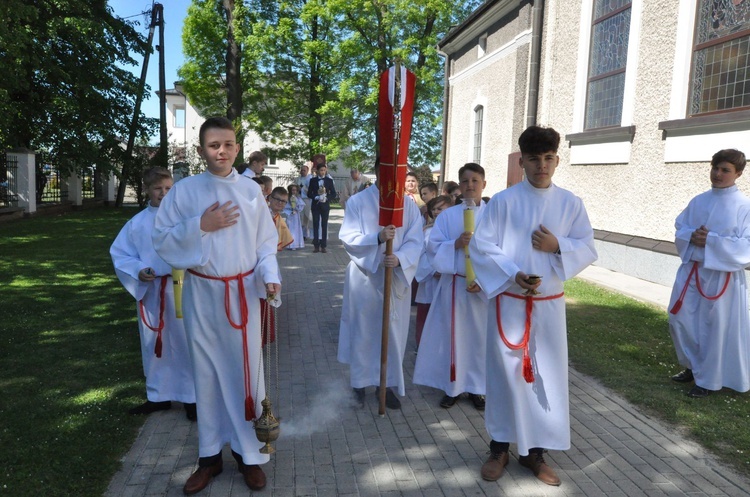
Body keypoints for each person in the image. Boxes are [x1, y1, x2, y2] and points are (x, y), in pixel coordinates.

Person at [152, 117, 281, 494]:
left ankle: (250, 457)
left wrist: (269, 275)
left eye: (227, 144)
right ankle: (209, 458)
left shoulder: (251, 191)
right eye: (213, 145)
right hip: (203, 294)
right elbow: (162, 239)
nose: (221, 151)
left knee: (246, 376)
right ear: (201, 150)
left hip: (242, 294)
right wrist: (201, 226)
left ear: (237, 148)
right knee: (206, 376)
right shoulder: (185, 191)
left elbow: (265, 243)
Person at [469, 125, 597, 487]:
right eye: (534, 159)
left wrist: (558, 246)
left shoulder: (571, 203)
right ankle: (499, 448)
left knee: (544, 377)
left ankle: (534, 454)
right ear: (522, 161)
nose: (542, 165)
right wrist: (513, 272)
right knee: (506, 376)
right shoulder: (505, 202)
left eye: (548, 158)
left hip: (548, 307)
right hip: (510, 304)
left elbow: (587, 247)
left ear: (557, 160)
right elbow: (481, 246)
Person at [110, 167, 197, 420]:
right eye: (158, 188)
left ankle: (191, 398)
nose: (164, 193)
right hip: (152, 290)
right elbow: (120, 253)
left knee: (184, 342)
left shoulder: (184, 219)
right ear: (147, 190)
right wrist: (138, 270)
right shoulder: (136, 223)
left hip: (181, 288)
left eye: (168, 188)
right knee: (154, 344)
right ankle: (158, 396)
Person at [338, 159, 424, 409]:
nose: (392, 177)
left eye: (398, 173)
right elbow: (348, 237)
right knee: (363, 333)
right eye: (387, 171)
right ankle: (358, 384)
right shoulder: (358, 202)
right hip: (365, 279)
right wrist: (376, 238)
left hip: (394, 277)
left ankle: (384, 385)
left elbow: (415, 240)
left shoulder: (408, 205)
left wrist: (399, 258)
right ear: (377, 172)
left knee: (392, 334)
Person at [668, 148, 750, 399]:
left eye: (725, 170)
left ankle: (709, 380)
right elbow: (680, 227)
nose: (718, 173)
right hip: (693, 272)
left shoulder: (743, 206)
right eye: (715, 168)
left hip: (721, 277)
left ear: (738, 173)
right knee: (681, 321)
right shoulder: (698, 200)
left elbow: (746, 245)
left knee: (714, 328)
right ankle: (693, 367)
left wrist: (711, 242)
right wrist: (691, 236)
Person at [414, 163, 489, 411]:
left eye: (475, 181)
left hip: (484, 287)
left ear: (484, 184)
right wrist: (455, 244)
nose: (470, 185)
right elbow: (433, 247)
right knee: (453, 337)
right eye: (465, 181)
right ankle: (453, 387)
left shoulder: (494, 215)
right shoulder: (448, 216)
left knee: (479, 339)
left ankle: (478, 388)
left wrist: (485, 278)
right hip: (455, 285)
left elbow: (503, 249)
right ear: (459, 185)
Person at [414, 195, 452, 349]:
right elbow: (419, 254)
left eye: (441, 208)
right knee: (425, 315)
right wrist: (432, 270)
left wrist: (445, 268)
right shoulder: (426, 232)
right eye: (434, 209)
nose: (437, 212)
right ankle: (423, 347)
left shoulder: (455, 230)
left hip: (447, 280)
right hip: (429, 280)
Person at [307, 163, 337, 253]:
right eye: (321, 170)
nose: (323, 172)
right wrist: (316, 197)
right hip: (316, 205)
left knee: (324, 225)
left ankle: (323, 246)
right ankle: (316, 245)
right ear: (317, 171)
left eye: (324, 170)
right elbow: (309, 193)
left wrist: (327, 198)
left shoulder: (329, 180)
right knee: (315, 224)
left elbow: (334, 193)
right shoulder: (312, 180)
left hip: (325, 206)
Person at [268, 186, 294, 251]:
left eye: (283, 201)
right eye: (278, 199)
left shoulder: (278, 217)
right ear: (270, 198)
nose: (280, 203)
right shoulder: (262, 213)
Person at [284, 184, 306, 250]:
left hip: (296, 215)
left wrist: (296, 208)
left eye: (295, 190)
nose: (294, 191)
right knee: (290, 229)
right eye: (293, 190)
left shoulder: (298, 198)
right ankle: (290, 244)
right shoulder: (287, 198)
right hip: (290, 215)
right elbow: (285, 207)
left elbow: (301, 205)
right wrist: (290, 210)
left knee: (296, 229)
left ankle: (296, 243)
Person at [296, 165, 313, 239]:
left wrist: (302, 189)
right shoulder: (297, 179)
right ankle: (300, 233)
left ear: (307, 171)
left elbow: (311, 190)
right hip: (298, 198)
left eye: (304, 170)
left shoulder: (310, 179)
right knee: (300, 216)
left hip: (306, 199)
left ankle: (305, 234)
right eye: (301, 170)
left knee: (307, 217)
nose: (302, 172)